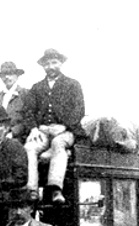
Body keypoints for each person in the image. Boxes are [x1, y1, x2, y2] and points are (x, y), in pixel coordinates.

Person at [23, 48, 85, 204]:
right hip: (42, 130)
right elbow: (28, 111)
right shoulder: (36, 88)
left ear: (61, 63)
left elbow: (79, 110)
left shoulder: (72, 84)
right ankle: (32, 190)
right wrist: (34, 128)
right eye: (47, 64)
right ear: (43, 66)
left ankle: (55, 189)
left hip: (66, 131)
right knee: (29, 147)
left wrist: (64, 126)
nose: (50, 67)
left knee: (58, 144)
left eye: (54, 63)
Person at [0, 61, 32, 145]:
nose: (7, 77)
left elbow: (28, 119)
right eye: (4, 75)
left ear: (17, 76)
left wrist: (13, 132)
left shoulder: (25, 94)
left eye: (10, 74)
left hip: (18, 137)